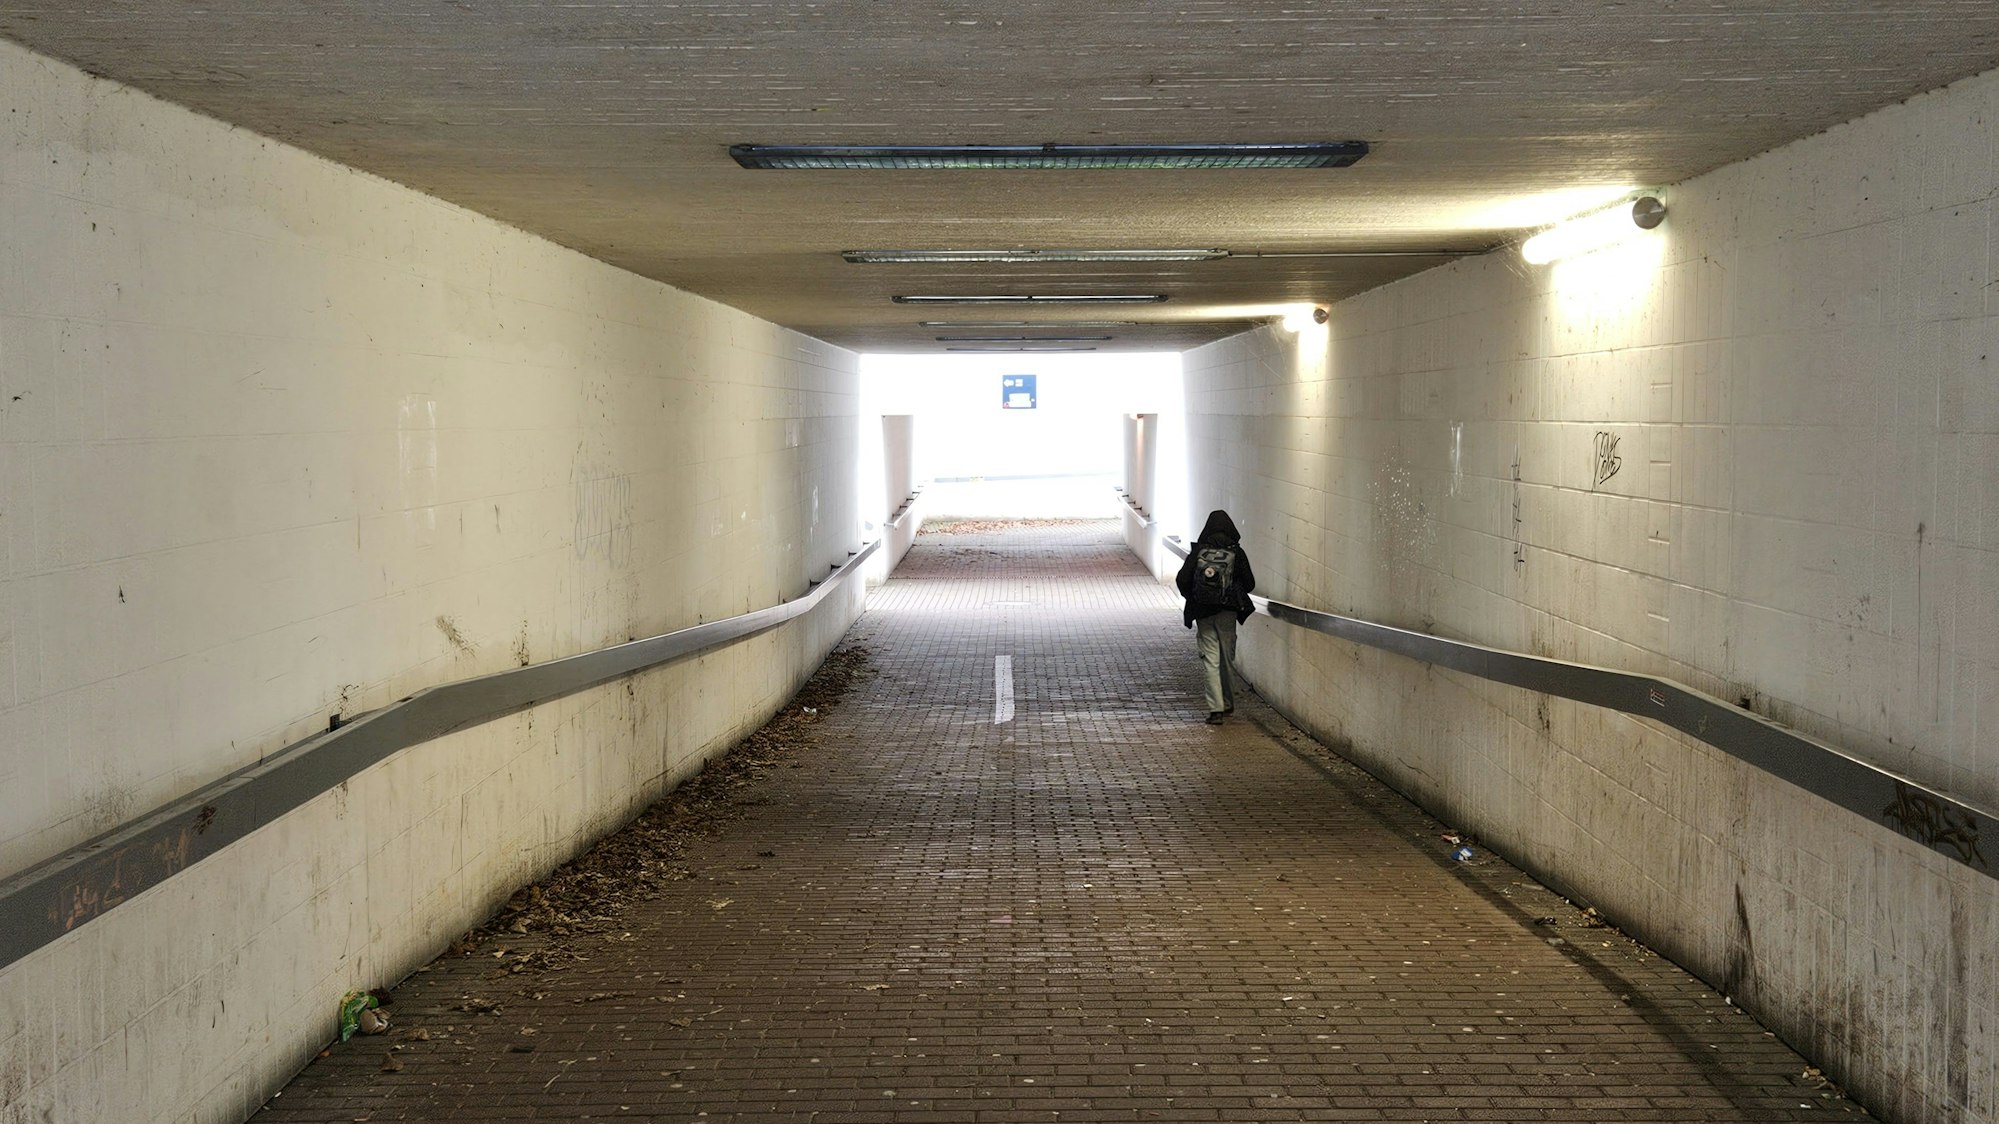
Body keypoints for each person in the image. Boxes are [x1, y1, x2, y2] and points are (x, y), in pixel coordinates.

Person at [1175, 510, 1255, 724]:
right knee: (1226, 657)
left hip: (1203, 611)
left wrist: (1195, 596)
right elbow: (1250, 584)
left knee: (1210, 658)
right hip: (1227, 612)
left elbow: (1182, 579)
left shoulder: (1199, 552)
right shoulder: (1236, 552)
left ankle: (1215, 709)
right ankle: (1228, 703)